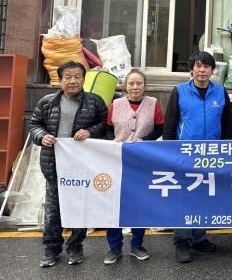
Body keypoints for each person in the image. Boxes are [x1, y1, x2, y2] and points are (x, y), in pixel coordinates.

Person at [30, 61, 108, 267]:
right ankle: (51, 250)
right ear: (60, 80)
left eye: (77, 77)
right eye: (68, 77)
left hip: (82, 167)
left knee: (79, 208)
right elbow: (35, 124)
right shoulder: (47, 102)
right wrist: (42, 136)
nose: (73, 81)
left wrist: (90, 132)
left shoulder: (95, 102)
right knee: (53, 211)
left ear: (83, 79)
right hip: (53, 166)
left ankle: (75, 247)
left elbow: (106, 125)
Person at [163, 51, 232, 263]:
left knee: (204, 195)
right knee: (184, 196)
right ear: (191, 69)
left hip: (211, 154)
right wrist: (169, 152)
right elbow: (170, 123)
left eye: (206, 66)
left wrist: (226, 152)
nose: (202, 70)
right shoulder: (180, 91)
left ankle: (199, 237)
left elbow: (226, 125)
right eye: (198, 66)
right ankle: (182, 241)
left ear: (212, 71)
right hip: (185, 154)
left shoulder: (220, 92)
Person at [103, 69, 164, 264]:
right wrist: (113, 141)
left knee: (140, 202)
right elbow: (107, 128)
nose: (135, 87)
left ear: (144, 86)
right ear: (125, 86)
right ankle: (114, 247)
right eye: (131, 83)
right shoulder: (116, 104)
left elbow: (160, 127)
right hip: (117, 159)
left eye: (139, 83)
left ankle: (137, 245)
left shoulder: (153, 103)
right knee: (115, 203)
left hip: (142, 160)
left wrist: (145, 141)